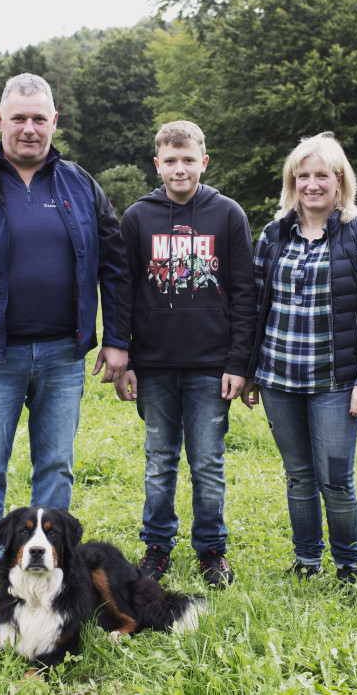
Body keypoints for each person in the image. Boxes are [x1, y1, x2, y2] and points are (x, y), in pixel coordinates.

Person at [0, 72, 131, 606]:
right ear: (0, 120)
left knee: (54, 463)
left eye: (40, 119)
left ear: (54, 121)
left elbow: (116, 266)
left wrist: (117, 340)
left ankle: (52, 567)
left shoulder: (81, 185)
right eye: (19, 118)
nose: (30, 129)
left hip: (64, 353)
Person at [242, 132, 357, 584]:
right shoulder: (273, 234)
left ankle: (348, 564)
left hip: (336, 381)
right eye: (302, 175)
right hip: (277, 378)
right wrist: (250, 372)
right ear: (292, 182)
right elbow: (253, 306)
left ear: (339, 180)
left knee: (336, 480)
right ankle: (307, 561)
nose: (311, 184)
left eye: (321, 175)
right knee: (298, 476)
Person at [114, 121, 256, 587]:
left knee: (208, 462)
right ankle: (157, 546)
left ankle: (212, 550)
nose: (180, 169)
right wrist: (127, 359)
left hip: (211, 367)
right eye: (170, 161)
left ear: (204, 162)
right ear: (157, 164)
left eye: (188, 160)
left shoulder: (228, 215)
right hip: (153, 365)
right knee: (159, 460)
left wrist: (239, 362)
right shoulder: (137, 218)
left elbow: (243, 293)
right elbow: (123, 292)